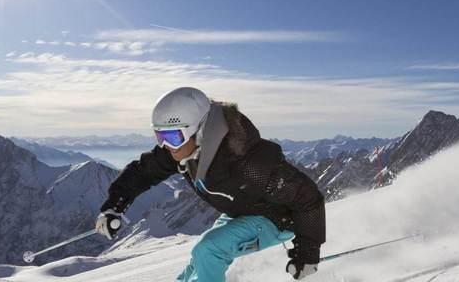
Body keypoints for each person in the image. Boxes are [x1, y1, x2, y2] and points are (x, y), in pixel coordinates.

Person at [95, 87, 326, 281]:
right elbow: (143, 172)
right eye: (160, 137)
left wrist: (308, 253)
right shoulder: (181, 148)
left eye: (173, 136)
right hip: (243, 211)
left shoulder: (246, 162)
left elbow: (307, 197)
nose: (167, 146)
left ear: (201, 130)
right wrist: (116, 204)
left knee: (208, 250)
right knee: (199, 261)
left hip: (278, 219)